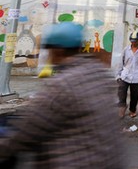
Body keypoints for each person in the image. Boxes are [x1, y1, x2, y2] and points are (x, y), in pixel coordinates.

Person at [0, 21, 126, 168]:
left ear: (57, 51)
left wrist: (5, 147)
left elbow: (29, 129)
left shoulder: (62, 84)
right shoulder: (99, 73)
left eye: (49, 49)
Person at [116, 31, 138, 118]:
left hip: (137, 76)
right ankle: (122, 107)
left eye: (135, 41)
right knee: (121, 92)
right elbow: (121, 62)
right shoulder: (126, 50)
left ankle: (132, 110)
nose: (133, 43)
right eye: (132, 41)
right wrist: (118, 75)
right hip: (125, 75)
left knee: (135, 95)